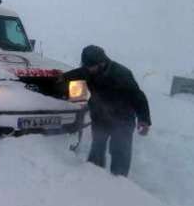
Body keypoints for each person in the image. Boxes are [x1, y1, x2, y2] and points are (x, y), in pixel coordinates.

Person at [63, 45, 151, 176]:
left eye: (90, 66)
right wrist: (59, 77)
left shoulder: (122, 74)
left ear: (101, 63)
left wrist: (144, 119)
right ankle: (93, 176)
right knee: (97, 147)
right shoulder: (88, 70)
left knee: (120, 151)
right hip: (100, 118)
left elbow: (138, 97)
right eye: (85, 65)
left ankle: (119, 182)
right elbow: (75, 74)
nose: (87, 69)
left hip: (123, 120)